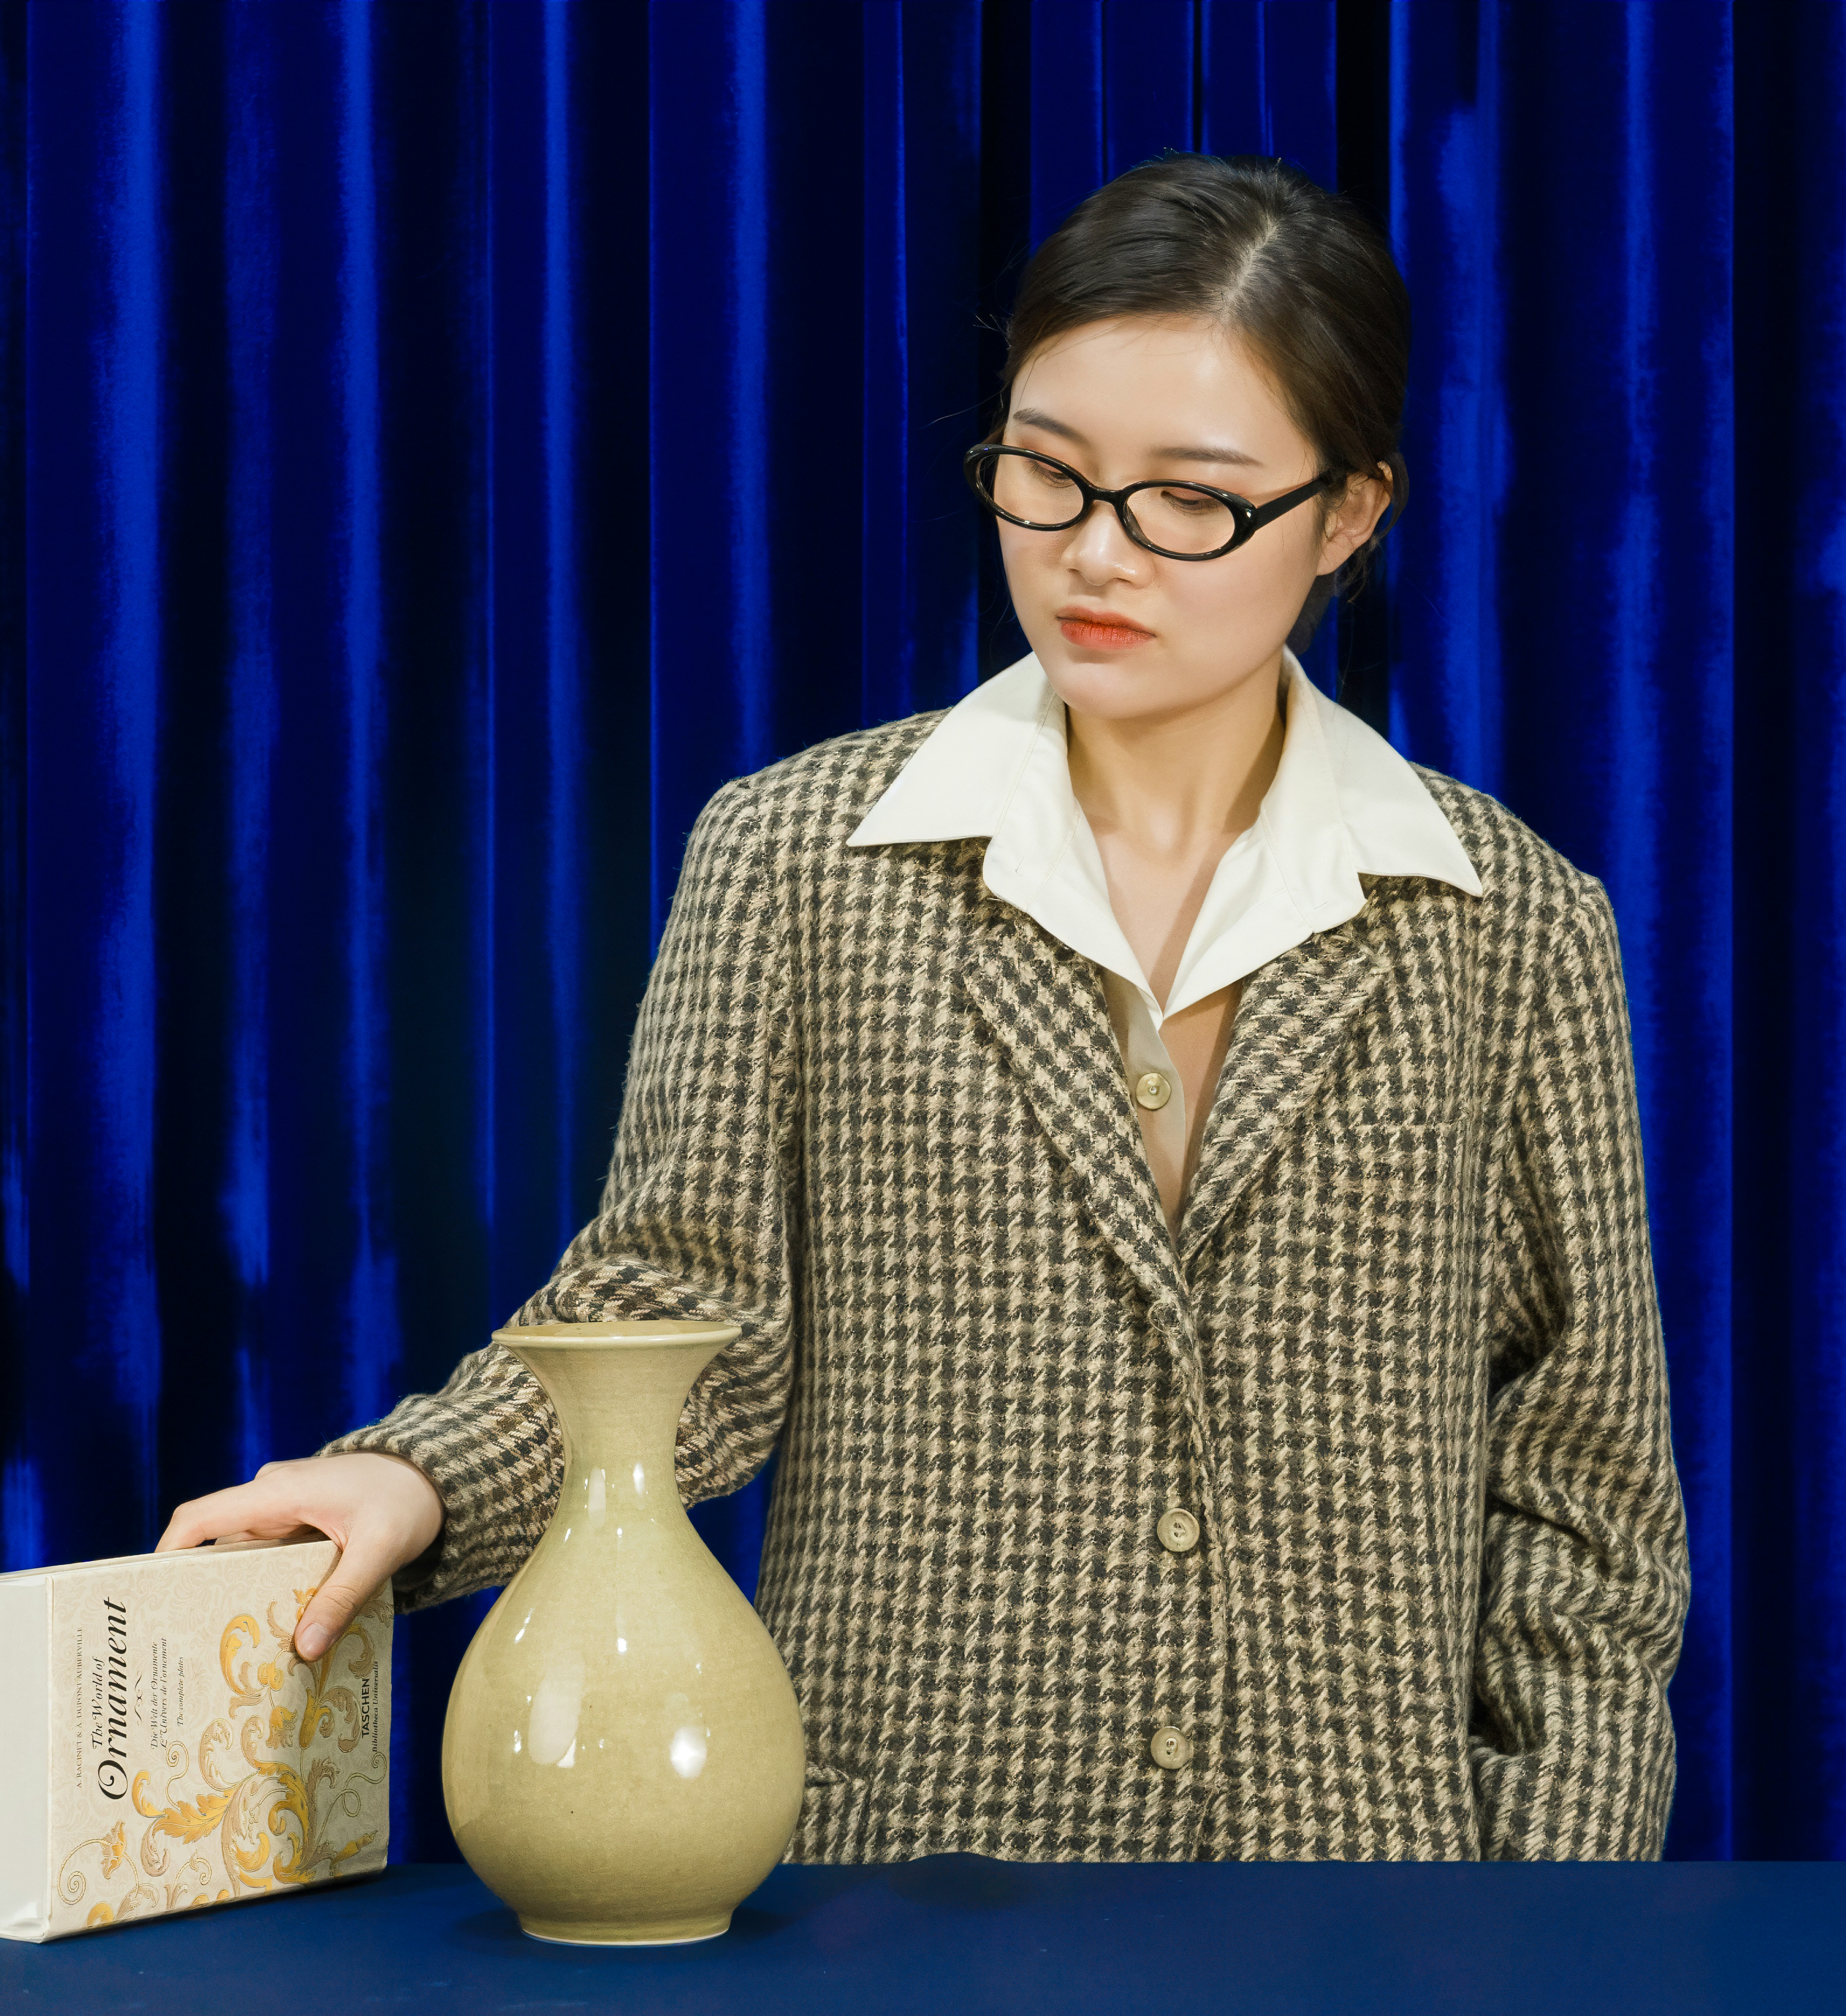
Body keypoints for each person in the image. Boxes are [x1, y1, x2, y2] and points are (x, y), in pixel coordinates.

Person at [156, 152, 1688, 1862]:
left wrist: (1558, 1915)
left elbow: (1583, 1485)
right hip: (906, 1883)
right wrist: (416, 1478)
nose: (1095, 555)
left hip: (1370, 1904)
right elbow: (681, 1315)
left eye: (1192, 500)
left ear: (1348, 512)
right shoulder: (797, 859)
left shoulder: (1512, 921)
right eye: (1045, 473)